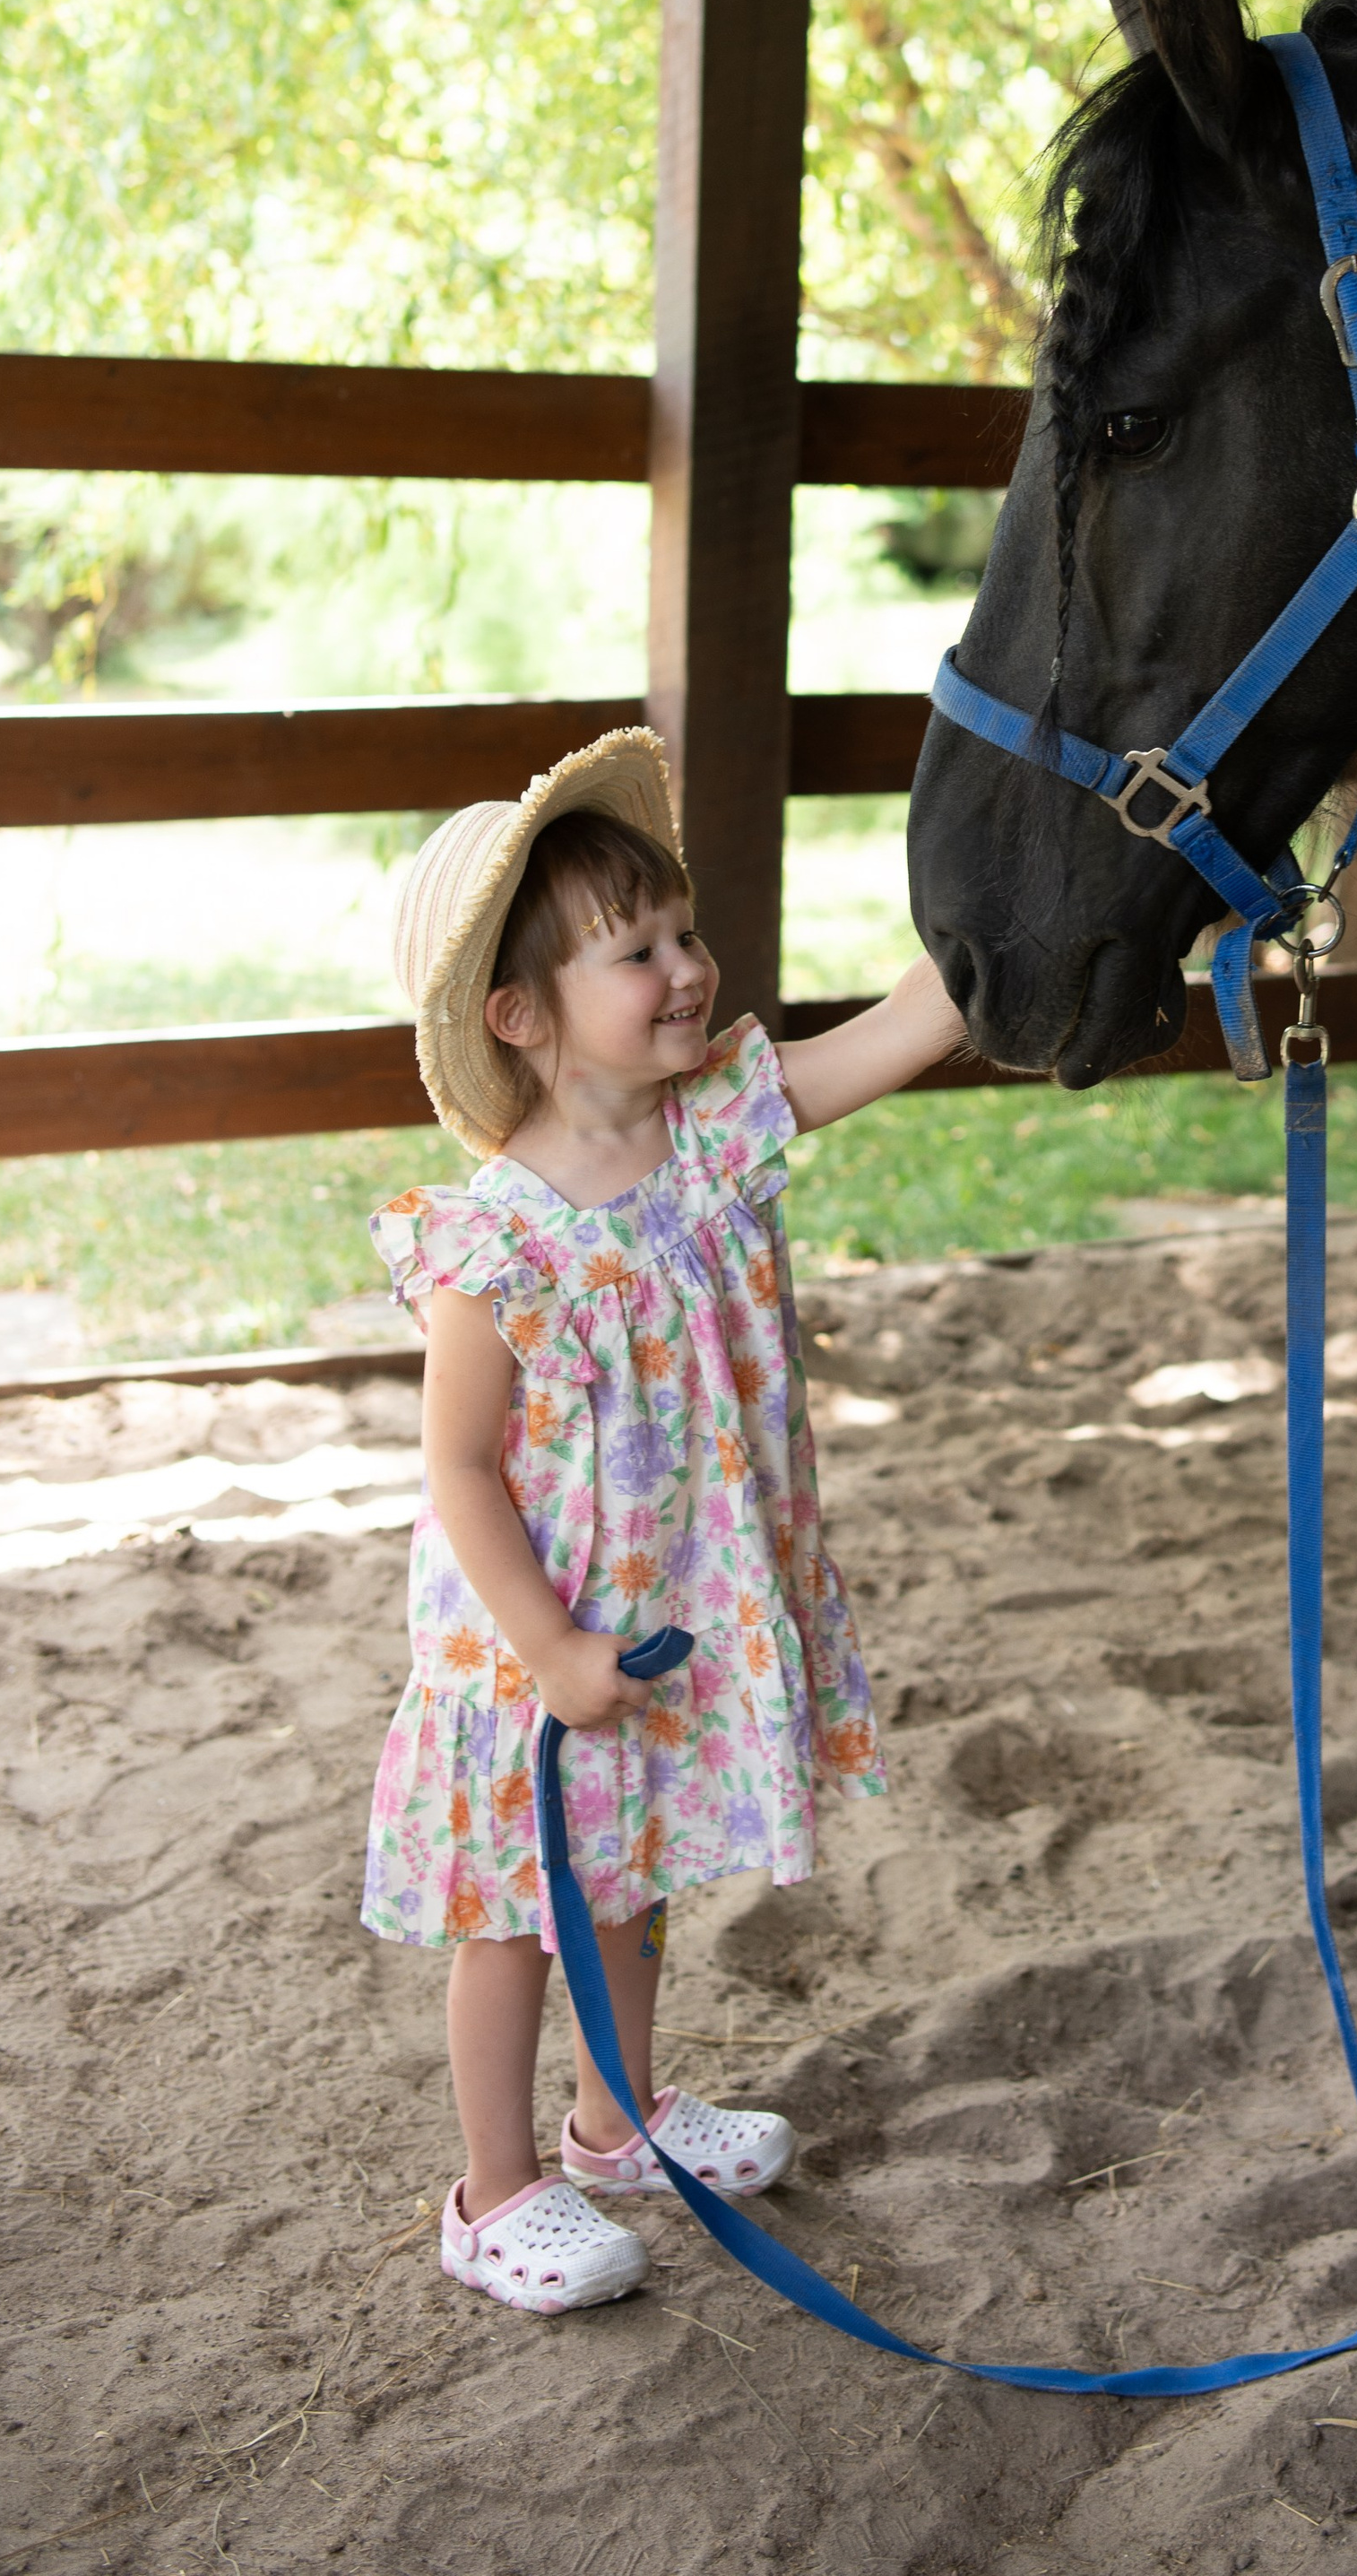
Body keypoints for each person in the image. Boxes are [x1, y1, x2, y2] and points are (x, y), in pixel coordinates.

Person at [360, 729, 964, 2315]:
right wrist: (550, 1645)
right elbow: (462, 1471)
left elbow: (897, 1031)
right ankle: (492, 2195)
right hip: (532, 1645)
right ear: (524, 1016)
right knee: (514, 1912)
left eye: (684, 934)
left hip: (669, 1610)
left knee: (634, 1878)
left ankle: (620, 2119)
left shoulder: (717, 1136)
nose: (690, 971)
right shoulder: (490, 1244)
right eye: (639, 953)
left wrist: (1020, 913)